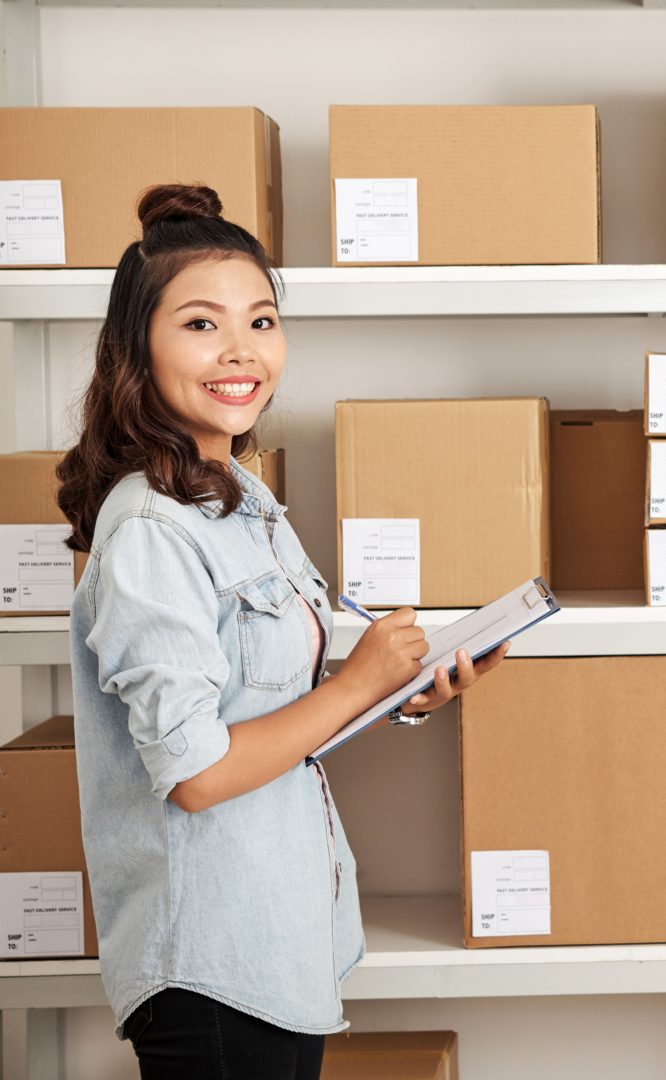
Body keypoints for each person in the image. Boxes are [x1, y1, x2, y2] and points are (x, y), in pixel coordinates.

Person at [57, 183, 508, 1080]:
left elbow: (269, 716)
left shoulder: (241, 498)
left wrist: (399, 694)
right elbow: (196, 773)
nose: (242, 351)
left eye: (261, 321)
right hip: (210, 964)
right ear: (134, 349)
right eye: (201, 324)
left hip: (276, 938)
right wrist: (357, 681)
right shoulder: (150, 529)